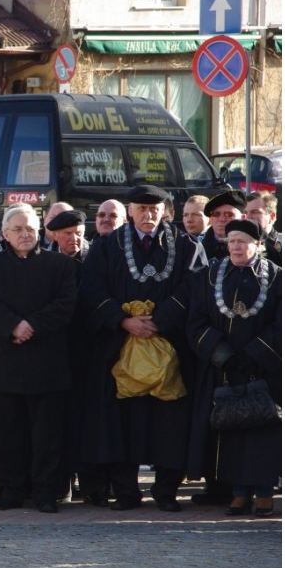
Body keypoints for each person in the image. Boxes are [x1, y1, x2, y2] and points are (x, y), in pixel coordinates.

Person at [78, 185, 198, 513]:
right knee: (121, 425)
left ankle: (166, 491)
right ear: (130, 210)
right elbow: (91, 289)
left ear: (164, 211)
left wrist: (161, 319)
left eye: (154, 209)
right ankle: (126, 492)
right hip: (119, 346)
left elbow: (193, 287)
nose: (148, 215)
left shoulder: (185, 246)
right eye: (141, 209)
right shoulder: (107, 246)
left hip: (169, 346)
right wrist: (122, 321)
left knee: (170, 423)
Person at [0, 204, 77, 513]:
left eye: (30, 229)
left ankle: (46, 492)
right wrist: (12, 325)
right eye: (17, 229)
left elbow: (66, 304)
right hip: (5, 361)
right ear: (4, 234)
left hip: (47, 361)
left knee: (47, 435)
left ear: (40, 232)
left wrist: (32, 325)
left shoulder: (60, 265)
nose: (24, 234)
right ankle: (11, 490)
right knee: (8, 434)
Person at [185, 219, 281, 518]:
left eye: (242, 241)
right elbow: (196, 319)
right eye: (231, 241)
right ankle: (237, 493)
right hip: (221, 368)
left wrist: (255, 354)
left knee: (262, 432)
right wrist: (222, 353)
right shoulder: (210, 276)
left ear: (258, 244)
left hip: (264, 369)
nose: (236, 246)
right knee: (230, 433)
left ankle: (264, 493)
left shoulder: (278, 278)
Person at [200, 189, 247, 263]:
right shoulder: (197, 246)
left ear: (243, 218)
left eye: (229, 214)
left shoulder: (253, 246)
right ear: (211, 218)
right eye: (216, 214)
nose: (222, 219)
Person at [245, 190, 282, 267]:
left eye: (255, 212)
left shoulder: (280, 248)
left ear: (272, 217)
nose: (248, 217)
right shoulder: (237, 244)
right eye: (245, 213)